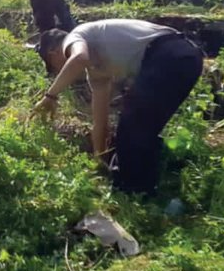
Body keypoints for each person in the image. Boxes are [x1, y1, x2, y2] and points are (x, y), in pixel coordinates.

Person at [32, 20, 205, 196]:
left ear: (53, 53)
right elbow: (101, 124)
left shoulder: (75, 36)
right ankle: (146, 193)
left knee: (133, 128)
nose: (60, 72)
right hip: (186, 58)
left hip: (167, 55)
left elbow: (79, 58)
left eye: (55, 67)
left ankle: (131, 193)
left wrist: (50, 96)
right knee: (141, 128)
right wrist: (99, 164)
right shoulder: (97, 72)